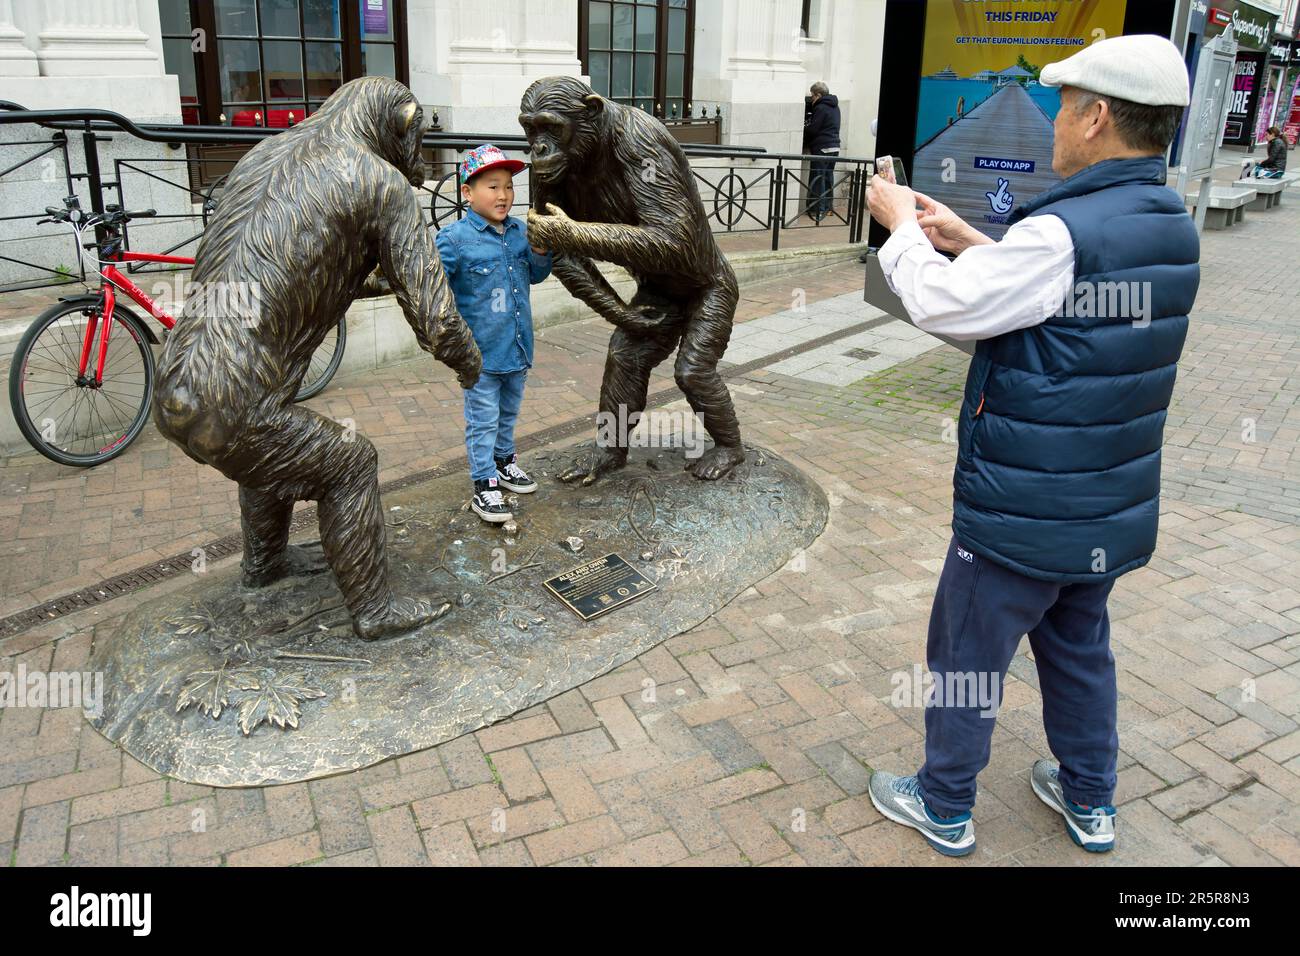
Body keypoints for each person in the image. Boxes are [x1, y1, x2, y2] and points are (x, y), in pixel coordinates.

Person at [864, 34, 1199, 857]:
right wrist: (973, 241)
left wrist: (903, 227)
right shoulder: (1169, 222)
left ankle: (943, 803)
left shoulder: (1061, 231)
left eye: (1063, 105)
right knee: (1080, 652)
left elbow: (944, 307)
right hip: (1100, 512)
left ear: (1096, 117)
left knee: (967, 655)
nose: (1052, 121)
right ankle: (1091, 799)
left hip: (1019, 514)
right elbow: (1079, 305)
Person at [436, 144, 553, 524]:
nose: (503, 195)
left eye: (508, 186)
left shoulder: (521, 231)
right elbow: (433, 287)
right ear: (467, 193)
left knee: (508, 414)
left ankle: (504, 462)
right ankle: (483, 482)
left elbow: (536, 274)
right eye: (492, 186)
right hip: (480, 354)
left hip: (518, 347)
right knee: (482, 419)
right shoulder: (453, 239)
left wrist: (539, 248)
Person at [803, 81, 841, 221]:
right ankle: (828, 209)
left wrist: (804, 128)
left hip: (822, 147)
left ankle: (818, 210)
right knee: (828, 177)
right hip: (835, 146)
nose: (812, 99)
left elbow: (813, 129)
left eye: (812, 96)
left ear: (818, 95)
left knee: (818, 178)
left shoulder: (821, 107)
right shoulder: (835, 106)